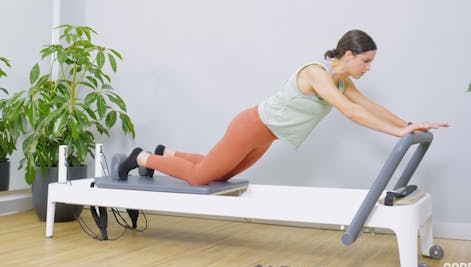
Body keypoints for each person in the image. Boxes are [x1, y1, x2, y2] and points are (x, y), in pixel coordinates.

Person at [118, 29, 448, 185]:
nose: (368, 67)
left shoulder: (343, 82)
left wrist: (409, 124)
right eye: (366, 61)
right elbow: (351, 112)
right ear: (348, 55)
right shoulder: (316, 74)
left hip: (265, 136)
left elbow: (370, 106)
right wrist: (398, 133)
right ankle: (142, 158)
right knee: (200, 178)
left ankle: (166, 152)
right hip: (250, 126)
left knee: (222, 173)